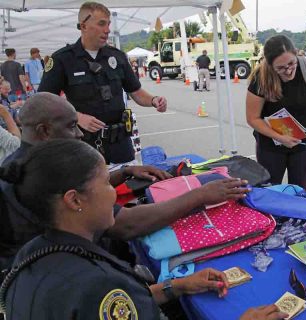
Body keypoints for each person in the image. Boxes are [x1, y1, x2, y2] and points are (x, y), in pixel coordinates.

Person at [0, 139, 287, 320]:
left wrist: (174, 286)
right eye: (105, 184)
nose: (115, 195)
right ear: (74, 199)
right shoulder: (97, 285)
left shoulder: (33, 252)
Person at [0, 92, 250, 270]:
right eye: (72, 126)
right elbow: (127, 225)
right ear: (45, 131)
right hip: (67, 273)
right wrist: (201, 195)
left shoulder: (19, 163)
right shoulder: (52, 173)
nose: (79, 133)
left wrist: (124, 173)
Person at [38, 1, 168, 164]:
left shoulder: (117, 57)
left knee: (128, 186)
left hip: (121, 144)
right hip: (84, 145)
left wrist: (154, 100)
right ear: (83, 26)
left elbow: (136, 92)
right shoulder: (62, 59)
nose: (107, 30)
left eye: (108, 24)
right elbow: (44, 102)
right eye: (101, 24)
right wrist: (76, 117)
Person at [246, 35, 306, 190]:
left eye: (291, 63)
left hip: (304, 146)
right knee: (269, 192)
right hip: (270, 146)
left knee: (299, 192)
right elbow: (252, 118)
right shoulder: (260, 78)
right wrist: (279, 137)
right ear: (270, 65)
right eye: (281, 68)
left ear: (297, 54)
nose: (288, 70)